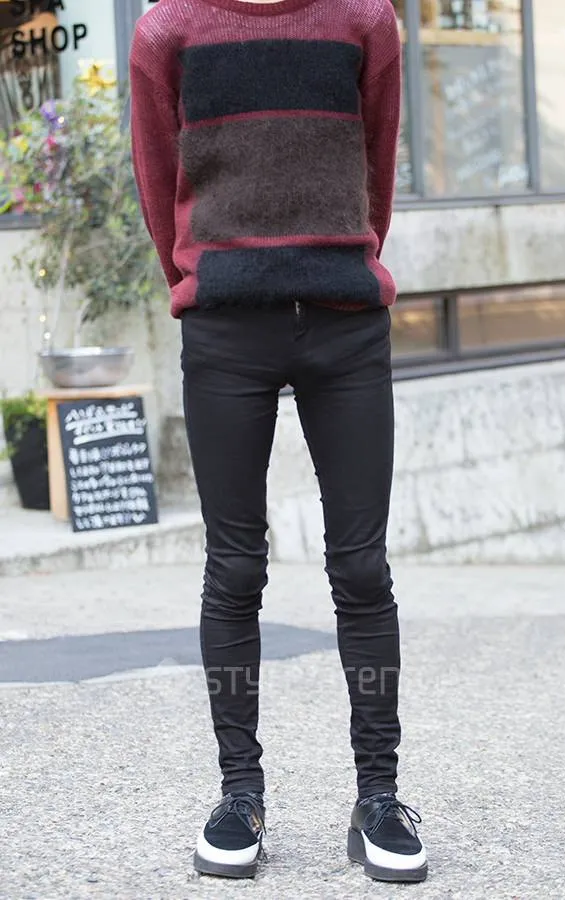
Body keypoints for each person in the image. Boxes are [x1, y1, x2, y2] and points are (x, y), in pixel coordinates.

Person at [129, 0, 427, 883]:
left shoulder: (364, 20)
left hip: (345, 326)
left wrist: (335, 262)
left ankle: (379, 796)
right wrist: (210, 280)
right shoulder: (167, 30)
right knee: (234, 569)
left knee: (361, 568)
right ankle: (240, 795)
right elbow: (158, 180)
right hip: (227, 329)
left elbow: (376, 169)